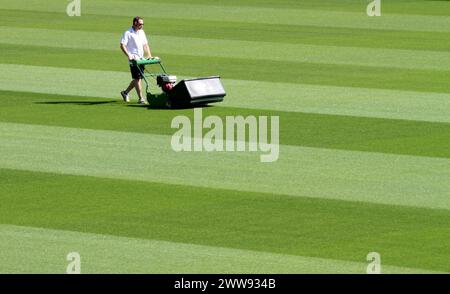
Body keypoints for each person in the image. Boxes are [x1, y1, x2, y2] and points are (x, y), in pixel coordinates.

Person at [119, 16, 156, 104]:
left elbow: (145, 45)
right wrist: (129, 55)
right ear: (135, 23)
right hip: (134, 60)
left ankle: (125, 93)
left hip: (141, 59)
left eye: (142, 24)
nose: (141, 26)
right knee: (137, 79)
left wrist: (149, 55)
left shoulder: (142, 32)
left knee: (138, 78)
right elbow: (122, 45)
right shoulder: (128, 33)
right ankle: (141, 98)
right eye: (140, 24)